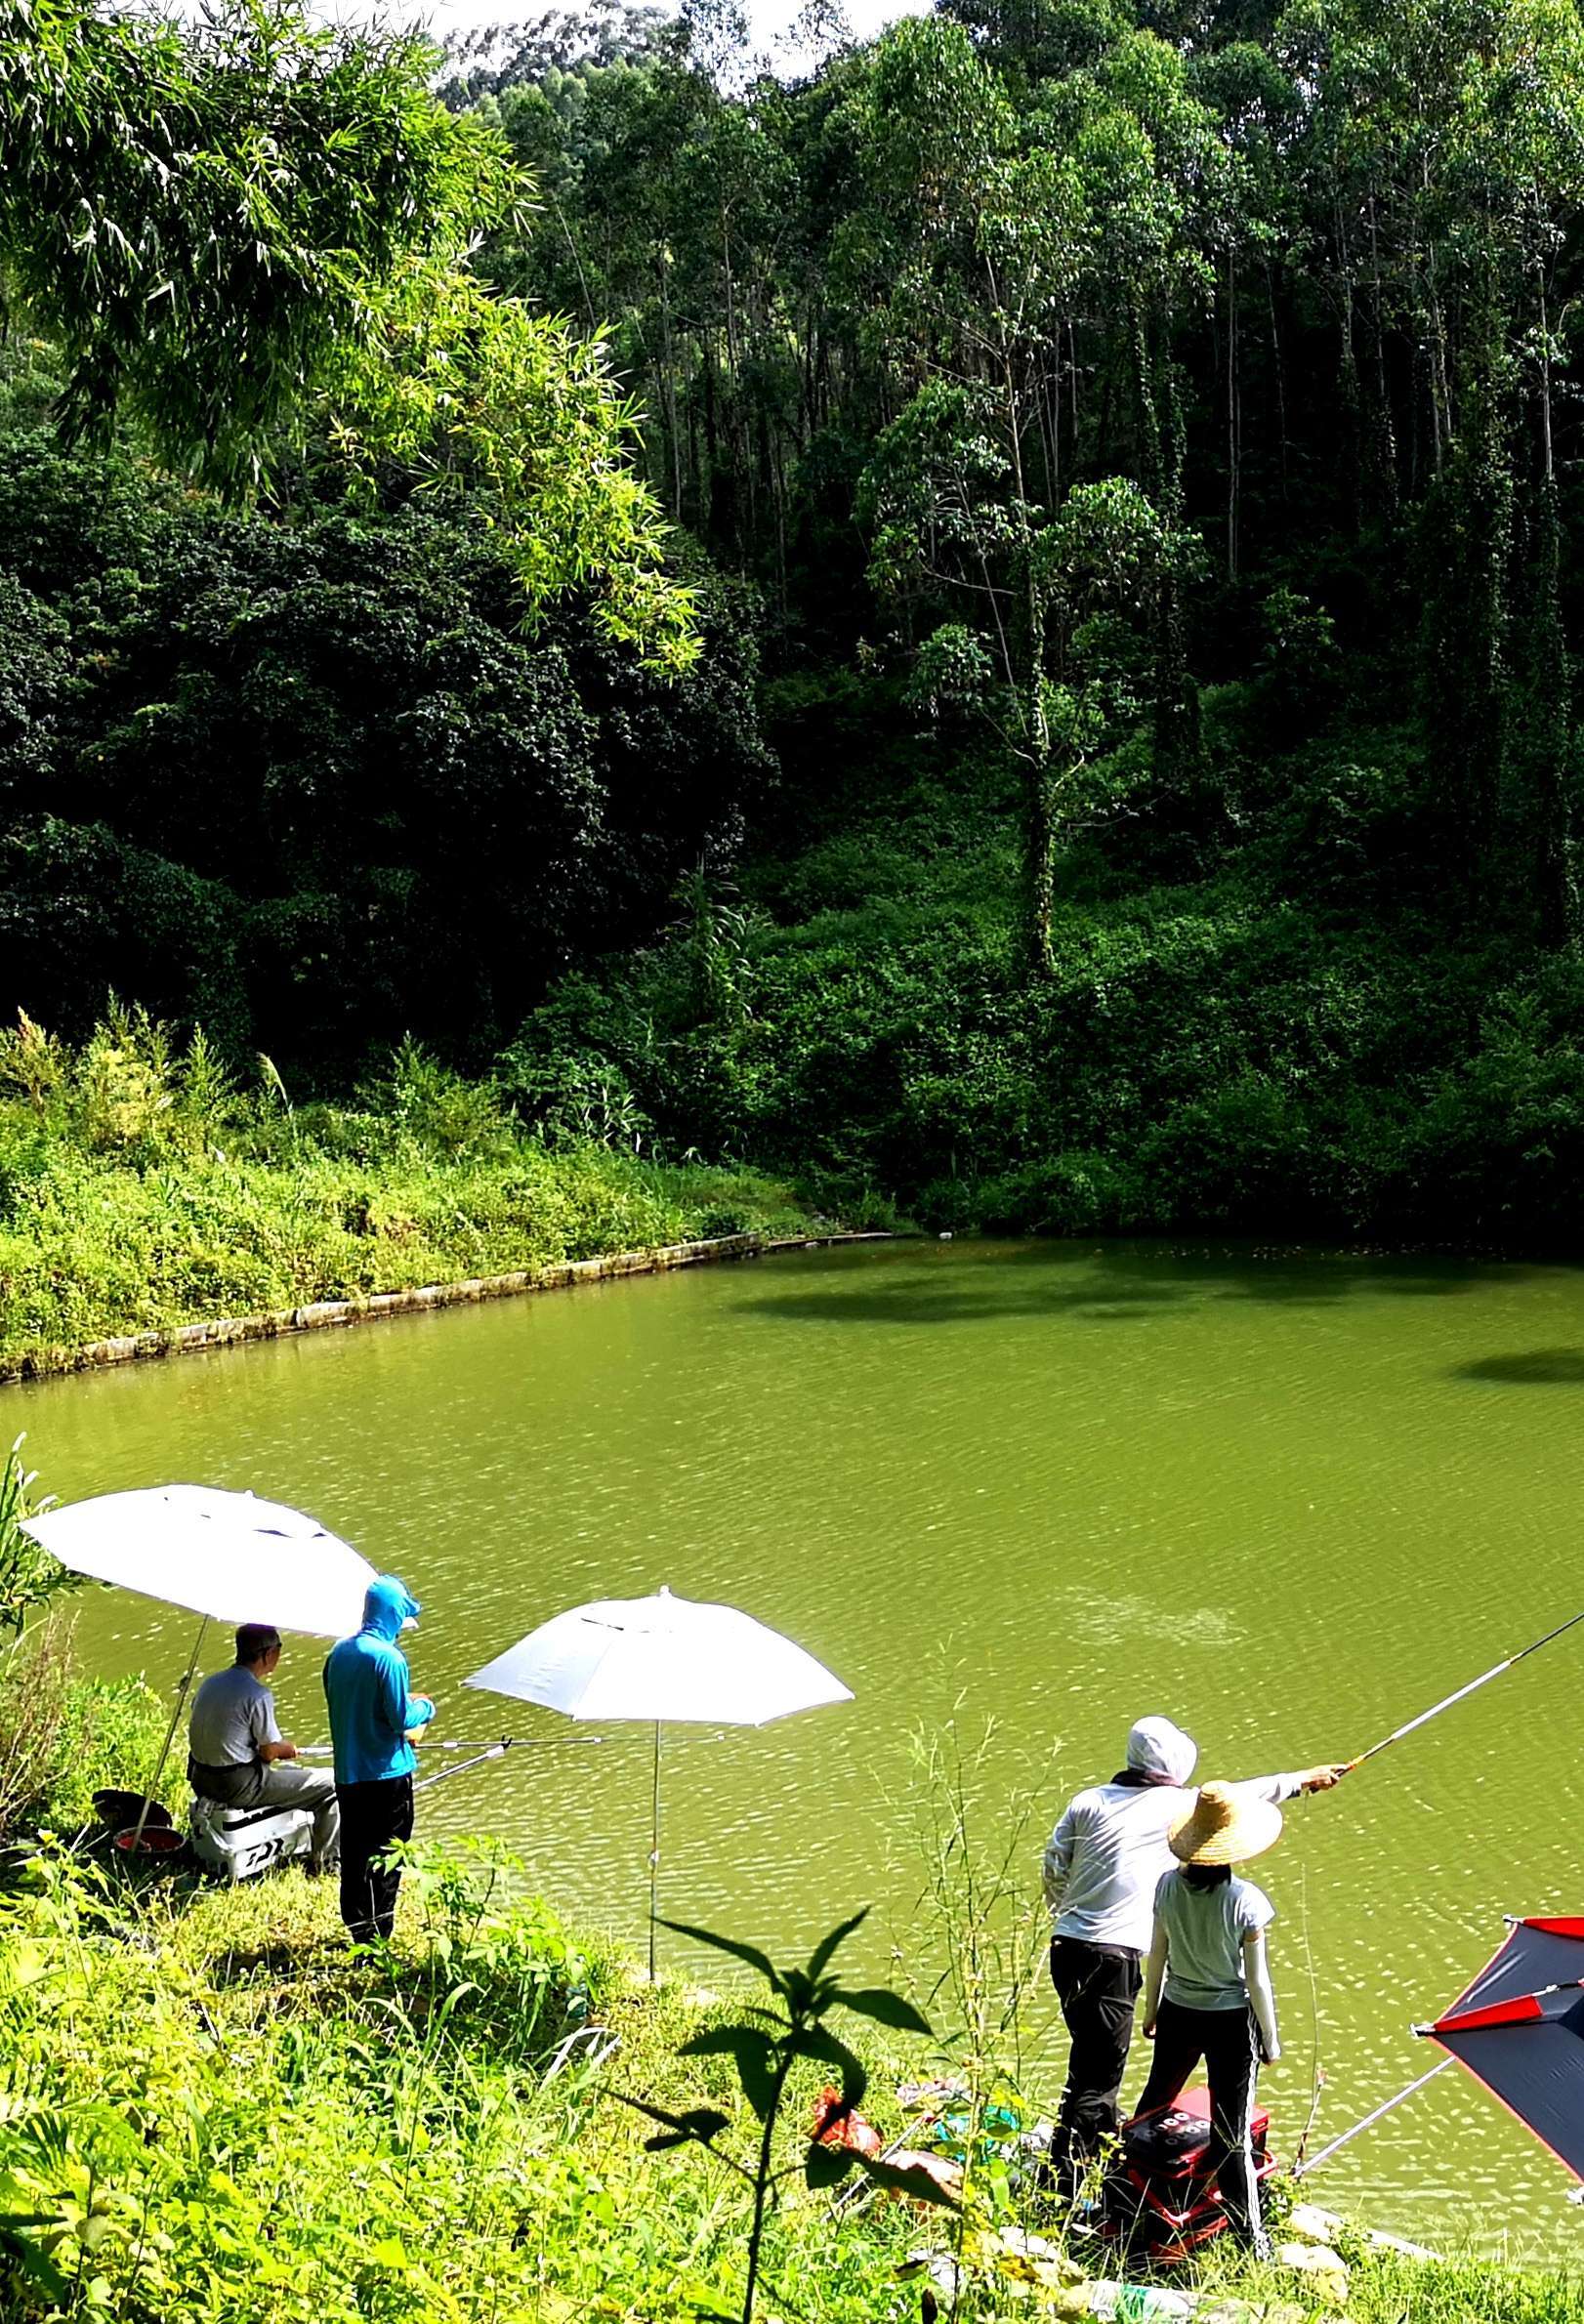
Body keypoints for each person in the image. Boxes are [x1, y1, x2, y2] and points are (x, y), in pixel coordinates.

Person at [1039, 1716, 1342, 2198]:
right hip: (1112, 1960)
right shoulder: (1175, 1808)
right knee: (1098, 2079)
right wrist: (1302, 1782)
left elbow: (1054, 1864)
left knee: (1088, 2063)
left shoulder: (1088, 1800)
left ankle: (1085, 2163)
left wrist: (1068, 1913)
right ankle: (1066, 2189)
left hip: (1066, 1947)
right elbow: (1241, 1797)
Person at [1136, 1779, 1292, 2256]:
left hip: (1179, 2012)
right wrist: (1270, 2038)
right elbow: (1258, 1982)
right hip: (1230, 2022)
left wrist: (1152, 2011)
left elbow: (1156, 1954)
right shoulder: (1246, 1901)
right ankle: (1251, 2237)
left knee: (1152, 2108)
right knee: (1233, 2132)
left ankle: (1129, 2196)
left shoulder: (1166, 1886)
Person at [322, 1574, 436, 1944]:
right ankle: (379, 1937)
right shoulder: (390, 1659)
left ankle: (357, 1929)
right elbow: (401, 1718)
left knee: (354, 1851)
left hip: (348, 1777)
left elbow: (347, 1706)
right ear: (392, 1615)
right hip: (387, 1778)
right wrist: (425, 1707)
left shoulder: (338, 1653)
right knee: (389, 1856)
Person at [188, 1621, 340, 1873]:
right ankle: (325, 1865)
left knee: (299, 1776)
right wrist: (285, 1748)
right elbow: (269, 1752)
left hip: (201, 1778)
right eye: (279, 1648)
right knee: (333, 1786)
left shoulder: (211, 1683)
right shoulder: (257, 1694)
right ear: (269, 1653)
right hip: (237, 1786)